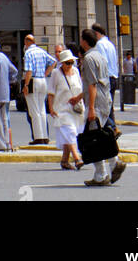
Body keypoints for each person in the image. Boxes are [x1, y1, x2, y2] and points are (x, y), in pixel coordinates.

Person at [79, 28, 126, 187]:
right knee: (102, 135)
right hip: (106, 99)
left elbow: (92, 85)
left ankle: (103, 173)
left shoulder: (89, 58)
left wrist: (91, 107)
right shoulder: (100, 56)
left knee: (94, 138)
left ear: (85, 41)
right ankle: (111, 166)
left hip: (97, 102)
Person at [47, 49, 85, 170]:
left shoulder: (76, 71)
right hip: (61, 109)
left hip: (76, 109)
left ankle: (64, 160)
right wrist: (51, 107)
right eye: (67, 63)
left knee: (71, 134)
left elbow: (81, 89)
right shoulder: (55, 74)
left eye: (71, 62)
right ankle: (77, 158)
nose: (69, 65)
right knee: (70, 132)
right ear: (62, 63)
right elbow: (51, 92)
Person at [21, 34, 57, 144]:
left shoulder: (28, 53)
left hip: (33, 81)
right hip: (42, 80)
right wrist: (46, 73)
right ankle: (45, 136)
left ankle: (38, 137)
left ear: (27, 42)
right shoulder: (41, 51)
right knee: (41, 109)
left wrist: (26, 85)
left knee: (34, 110)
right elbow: (53, 62)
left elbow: (29, 70)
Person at [91, 25, 120, 131]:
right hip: (114, 77)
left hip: (106, 78)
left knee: (104, 106)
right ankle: (113, 127)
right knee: (109, 105)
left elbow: (103, 61)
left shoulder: (100, 44)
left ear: (97, 34)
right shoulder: (110, 44)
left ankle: (111, 128)